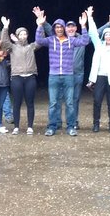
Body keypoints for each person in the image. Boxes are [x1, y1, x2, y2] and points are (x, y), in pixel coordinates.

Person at [43, 12, 110, 130]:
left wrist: (108, 24)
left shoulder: (81, 40)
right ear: (64, 29)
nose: (70, 29)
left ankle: (73, 122)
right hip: (61, 73)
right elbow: (50, 30)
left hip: (77, 74)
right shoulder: (58, 40)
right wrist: (43, 22)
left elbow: (96, 33)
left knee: (74, 99)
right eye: (68, 27)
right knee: (57, 98)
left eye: (73, 26)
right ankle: (57, 122)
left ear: (76, 28)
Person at [34, 7, 90, 136]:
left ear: (64, 28)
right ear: (54, 29)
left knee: (70, 103)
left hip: (68, 75)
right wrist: (40, 25)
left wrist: (83, 26)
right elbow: (39, 41)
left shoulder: (71, 40)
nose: (59, 29)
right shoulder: (50, 40)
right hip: (53, 75)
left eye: (61, 27)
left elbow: (85, 41)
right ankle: (52, 127)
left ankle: (71, 127)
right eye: (56, 27)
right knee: (53, 103)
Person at [1, 16, 40, 135]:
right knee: (17, 103)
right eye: (21, 34)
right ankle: (16, 127)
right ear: (17, 36)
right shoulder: (12, 47)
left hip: (30, 77)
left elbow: (41, 40)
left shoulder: (31, 46)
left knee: (30, 103)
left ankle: (30, 127)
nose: (23, 36)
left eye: (25, 34)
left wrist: (39, 26)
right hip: (17, 77)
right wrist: (5, 27)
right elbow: (4, 42)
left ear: (27, 36)